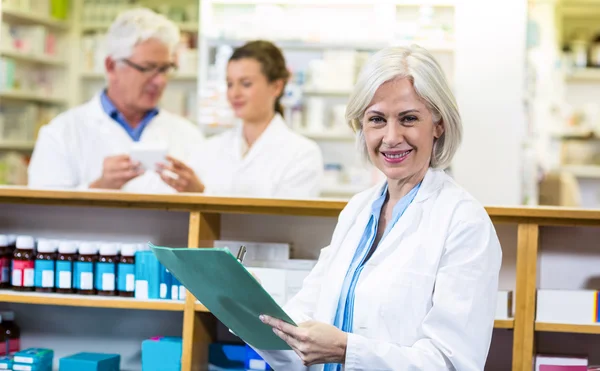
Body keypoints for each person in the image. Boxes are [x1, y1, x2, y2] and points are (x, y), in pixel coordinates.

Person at [254, 45, 502, 370]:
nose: (391, 137)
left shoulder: (464, 222)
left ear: (438, 124)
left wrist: (347, 350)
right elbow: (305, 318)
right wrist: (246, 309)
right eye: (377, 120)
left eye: (409, 118)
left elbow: (452, 362)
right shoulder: (357, 211)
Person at [28, 8, 203, 192]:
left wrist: (199, 193)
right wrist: (98, 188)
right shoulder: (61, 133)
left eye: (165, 68)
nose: (159, 80)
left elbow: (211, 212)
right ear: (111, 66)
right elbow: (43, 211)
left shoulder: (188, 136)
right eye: (148, 68)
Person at [156, 40, 323, 199]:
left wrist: (203, 194)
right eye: (229, 84)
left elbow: (285, 223)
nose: (234, 93)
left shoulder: (302, 154)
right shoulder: (208, 149)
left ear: (276, 87)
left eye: (246, 84)